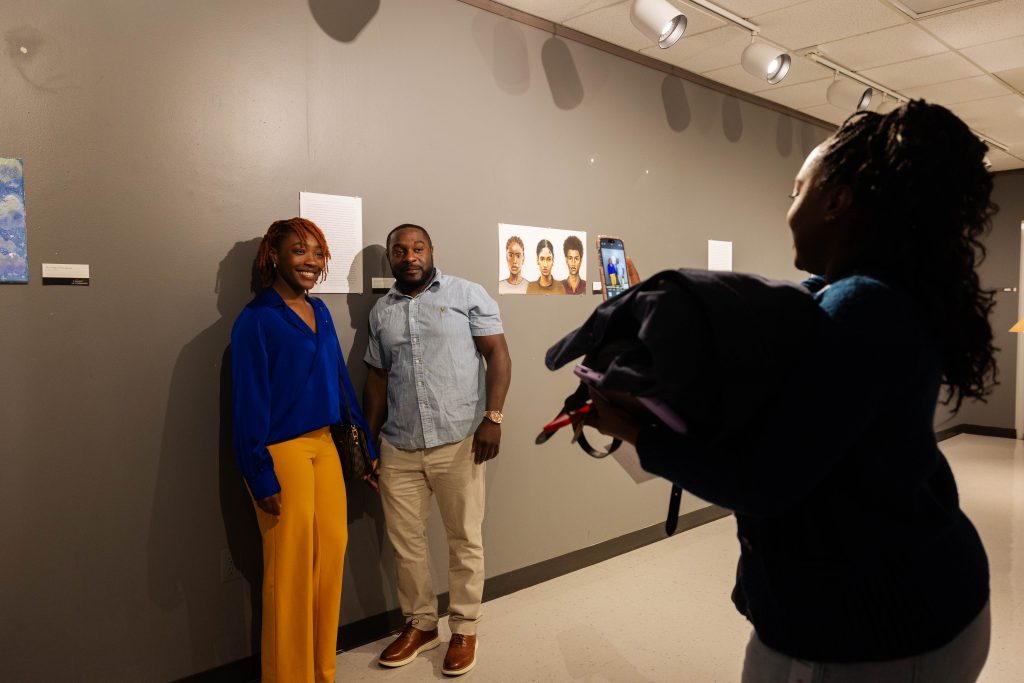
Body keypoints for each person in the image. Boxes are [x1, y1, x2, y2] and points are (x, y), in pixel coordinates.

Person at [587, 101, 995, 682]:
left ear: (838, 201)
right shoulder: (874, 295)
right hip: (915, 594)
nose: (789, 211)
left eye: (796, 191)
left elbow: (763, 482)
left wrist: (630, 429)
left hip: (874, 633)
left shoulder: (861, 307)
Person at [231, 217, 377, 683]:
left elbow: (338, 379)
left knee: (330, 557)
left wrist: (363, 443)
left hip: (325, 448)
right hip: (282, 453)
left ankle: (322, 672)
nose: (312, 261)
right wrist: (259, 473)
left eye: (318, 253)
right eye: (300, 251)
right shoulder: (255, 320)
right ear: (274, 255)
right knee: (289, 573)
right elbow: (248, 403)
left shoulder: (322, 312)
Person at [364, 223, 512, 676]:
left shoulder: (468, 294)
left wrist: (493, 418)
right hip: (398, 445)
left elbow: (499, 356)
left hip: (459, 441)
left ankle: (464, 628)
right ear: (391, 258)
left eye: (417, 247)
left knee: (464, 539)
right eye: (399, 250)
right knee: (406, 543)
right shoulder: (381, 313)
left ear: (431, 251)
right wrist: (371, 440)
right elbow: (378, 377)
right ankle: (421, 623)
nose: (409, 256)